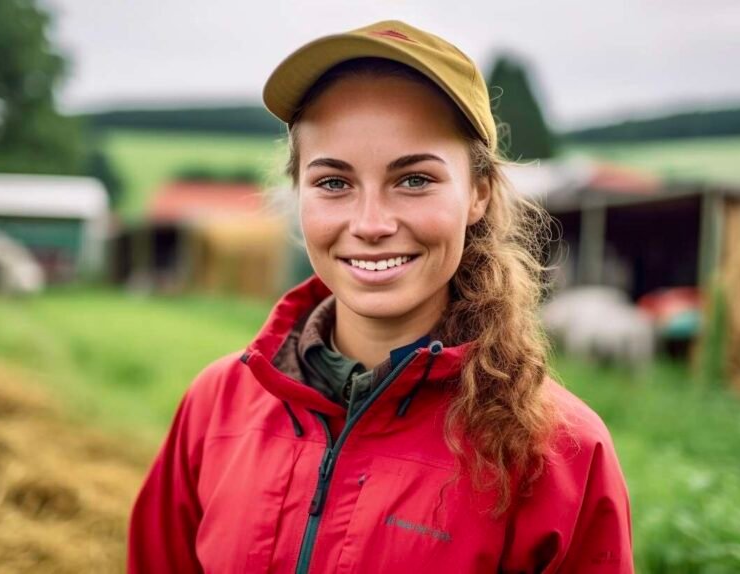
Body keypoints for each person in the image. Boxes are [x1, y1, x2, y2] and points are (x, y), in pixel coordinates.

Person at [129, 19, 633, 573]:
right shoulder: (216, 406)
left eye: (414, 179)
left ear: (478, 195)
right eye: (334, 183)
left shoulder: (561, 455)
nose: (370, 224)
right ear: (299, 195)